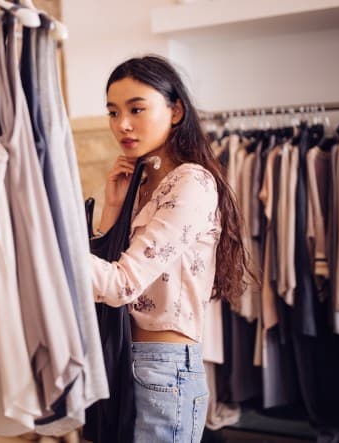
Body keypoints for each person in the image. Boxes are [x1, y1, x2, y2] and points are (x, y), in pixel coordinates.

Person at [89, 56, 252, 442]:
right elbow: (107, 276)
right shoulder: (142, 182)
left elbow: (122, 284)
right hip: (124, 359)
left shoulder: (191, 182)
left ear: (175, 110)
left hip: (163, 369)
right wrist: (113, 207)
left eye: (136, 109)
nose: (121, 124)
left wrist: (49, 247)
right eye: (113, 112)